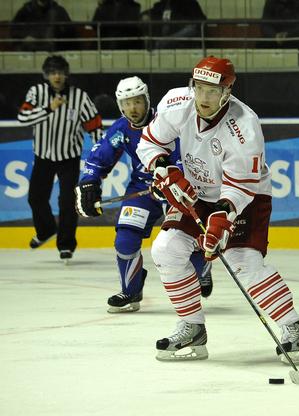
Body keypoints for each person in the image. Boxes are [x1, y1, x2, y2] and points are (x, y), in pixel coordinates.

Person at [136, 56, 299, 364]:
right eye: (199, 88)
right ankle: (192, 328)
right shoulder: (177, 103)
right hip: (196, 194)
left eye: (212, 91)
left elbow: (240, 187)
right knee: (166, 249)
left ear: (227, 92)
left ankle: (294, 330)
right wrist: (164, 169)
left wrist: (222, 219)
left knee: (242, 261)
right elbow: (149, 143)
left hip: (246, 198)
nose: (203, 98)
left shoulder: (244, 126)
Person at [75, 76, 213, 313]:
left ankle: (202, 270)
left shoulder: (166, 121)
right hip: (143, 188)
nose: (133, 108)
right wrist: (89, 182)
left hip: (178, 187)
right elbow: (99, 157)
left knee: (190, 242)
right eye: (127, 103)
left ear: (147, 100)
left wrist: (171, 179)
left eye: (137, 101)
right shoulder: (122, 129)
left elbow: (186, 156)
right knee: (125, 240)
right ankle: (131, 291)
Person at [17, 55, 102, 263]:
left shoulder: (79, 97)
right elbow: (23, 118)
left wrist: (100, 154)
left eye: (61, 73)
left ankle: (66, 245)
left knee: (67, 202)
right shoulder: (36, 92)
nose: (57, 76)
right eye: (53, 73)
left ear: (66, 74)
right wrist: (49, 108)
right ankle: (46, 230)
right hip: (43, 156)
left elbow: (95, 125)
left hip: (69, 158)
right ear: (46, 75)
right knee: (35, 198)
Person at [10, 0, 76, 51]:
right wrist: (24, 37)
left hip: (53, 51)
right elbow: (14, 29)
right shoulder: (26, 10)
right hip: (30, 50)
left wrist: (59, 34)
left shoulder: (58, 10)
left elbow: (70, 32)